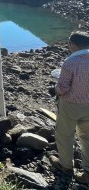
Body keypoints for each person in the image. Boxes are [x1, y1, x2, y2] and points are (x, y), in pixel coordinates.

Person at [49, 31, 89, 183]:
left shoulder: (70, 62)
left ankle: (66, 165)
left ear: (73, 44)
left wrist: (54, 89)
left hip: (71, 105)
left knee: (65, 134)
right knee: (87, 137)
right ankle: (87, 172)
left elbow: (63, 88)